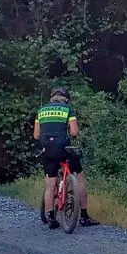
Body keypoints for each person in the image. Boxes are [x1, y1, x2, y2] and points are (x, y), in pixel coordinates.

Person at [33, 88, 97, 228]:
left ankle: (51, 217)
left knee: (50, 184)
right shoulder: (68, 110)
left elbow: (36, 135)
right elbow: (74, 132)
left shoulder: (41, 111)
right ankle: (84, 217)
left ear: (52, 98)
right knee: (79, 178)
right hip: (63, 148)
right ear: (66, 99)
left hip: (47, 150)